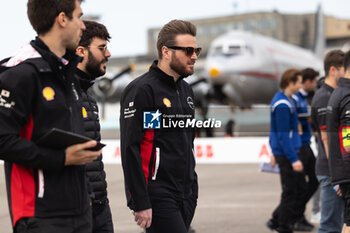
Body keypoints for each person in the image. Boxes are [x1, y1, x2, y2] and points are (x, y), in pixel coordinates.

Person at [0, 0, 102, 232]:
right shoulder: (20, 73)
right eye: (79, 17)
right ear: (63, 19)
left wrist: (86, 193)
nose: (83, 26)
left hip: (79, 212)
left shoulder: (68, 74)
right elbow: (2, 140)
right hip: (40, 215)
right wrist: (62, 158)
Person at [120, 19, 199, 233]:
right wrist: (139, 200)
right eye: (188, 50)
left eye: (197, 50)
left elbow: (187, 141)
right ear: (166, 51)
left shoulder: (186, 91)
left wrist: (193, 183)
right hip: (158, 192)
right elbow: (132, 148)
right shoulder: (143, 91)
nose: (194, 56)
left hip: (187, 192)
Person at [75, 20, 114, 233]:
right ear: (81, 51)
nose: (108, 54)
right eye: (102, 48)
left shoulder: (88, 94)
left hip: (100, 205)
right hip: (77, 207)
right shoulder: (63, 92)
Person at [311, 50, 345, 233]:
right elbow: (326, 138)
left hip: (335, 169)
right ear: (333, 70)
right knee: (329, 226)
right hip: (331, 170)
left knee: (339, 223)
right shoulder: (324, 97)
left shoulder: (334, 93)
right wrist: (338, 175)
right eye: (344, 69)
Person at [267, 68, 303, 233]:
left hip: (283, 151)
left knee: (293, 189)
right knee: (291, 191)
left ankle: (276, 220)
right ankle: (283, 226)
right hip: (286, 153)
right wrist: (293, 158)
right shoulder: (282, 104)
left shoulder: (287, 100)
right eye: (299, 82)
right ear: (291, 82)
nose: (300, 85)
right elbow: (282, 134)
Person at [291, 68, 319, 231]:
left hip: (306, 144)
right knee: (300, 185)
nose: (315, 84)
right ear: (308, 81)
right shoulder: (295, 98)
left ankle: (298, 215)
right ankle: (295, 216)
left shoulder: (302, 98)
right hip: (300, 146)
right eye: (314, 81)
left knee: (314, 181)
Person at [327, 50, 350, 233]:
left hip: (343, 172)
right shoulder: (347, 97)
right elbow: (348, 142)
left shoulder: (338, 93)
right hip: (347, 171)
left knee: (348, 221)